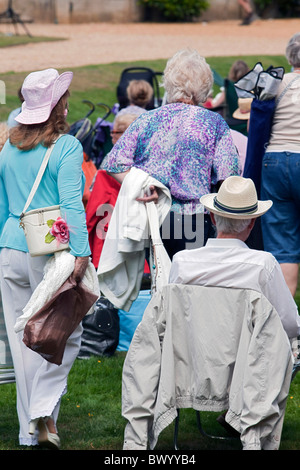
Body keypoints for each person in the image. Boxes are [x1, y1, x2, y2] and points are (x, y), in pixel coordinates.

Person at [0, 68, 91, 448]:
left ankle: (32, 431)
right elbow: (71, 204)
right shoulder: (67, 147)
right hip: (49, 252)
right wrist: (82, 252)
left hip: (9, 249)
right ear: (58, 105)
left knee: (25, 343)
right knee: (66, 334)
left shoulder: (8, 144)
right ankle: (42, 414)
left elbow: (3, 204)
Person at [102, 49, 240, 259]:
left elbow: (113, 163)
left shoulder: (147, 120)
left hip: (156, 217)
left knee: (162, 284)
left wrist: (145, 185)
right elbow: (228, 176)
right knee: (192, 284)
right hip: (196, 218)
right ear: (204, 86)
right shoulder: (214, 123)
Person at [169, 175, 300, 341]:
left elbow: (172, 318)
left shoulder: (182, 263)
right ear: (252, 222)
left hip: (191, 360)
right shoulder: (262, 265)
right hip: (247, 361)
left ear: (212, 218)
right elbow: (290, 325)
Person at [260, 32, 300, 297]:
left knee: (282, 247)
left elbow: (256, 122)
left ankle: (285, 330)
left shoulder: (278, 84)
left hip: (274, 160)